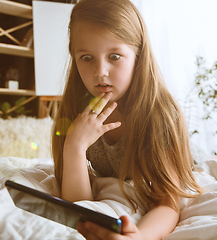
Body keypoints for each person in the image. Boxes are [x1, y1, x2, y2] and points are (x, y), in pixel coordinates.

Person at [52, 0, 203, 239]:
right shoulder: (76, 109)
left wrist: (138, 236)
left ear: (138, 56)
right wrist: (74, 148)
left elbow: (168, 203)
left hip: (182, 152)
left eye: (114, 56)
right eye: (86, 57)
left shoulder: (160, 114)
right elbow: (79, 207)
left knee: (200, 160)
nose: (100, 71)